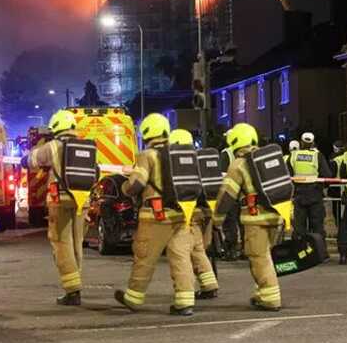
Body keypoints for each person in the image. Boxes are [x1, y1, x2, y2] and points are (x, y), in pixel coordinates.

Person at [114, 113, 196, 316]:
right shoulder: (184, 153)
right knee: (181, 257)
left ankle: (133, 297)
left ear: (147, 133)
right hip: (182, 213)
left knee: (144, 256)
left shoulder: (147, 155)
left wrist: (124, 188)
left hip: (156, 216)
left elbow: (137, 184)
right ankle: (185, 302)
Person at [214, 123, 282, 311]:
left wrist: (216, 220)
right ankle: (261, 293)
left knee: (258, 256)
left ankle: (270, 298)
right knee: (266, 257)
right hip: (276, 217)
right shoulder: (268, 158)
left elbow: (227, 196)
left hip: (255, 218)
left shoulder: (239, 164)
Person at [21, 110, 85, 305]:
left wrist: (29, 156)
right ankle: (75, 281)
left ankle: (73, 291)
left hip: (61, 201)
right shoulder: (88, 146)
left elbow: (29, 161)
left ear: (56, 128)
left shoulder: (53, 146)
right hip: (83, 202)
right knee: (76, 243)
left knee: (61, 242)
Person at [169, 129, 219, 299]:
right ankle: (209, 285)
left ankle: (185, 294)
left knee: (180, 252)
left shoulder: (178, 163)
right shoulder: (199, 160)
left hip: (187, 214)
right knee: (197, 250)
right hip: (203, 213)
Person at [287, 132, 332, 253]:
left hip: (299, 195)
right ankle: (320, 252)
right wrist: (320, 187)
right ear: (312, 143)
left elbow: (287, 175)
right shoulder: (318, 156)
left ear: (301, 142)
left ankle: (299, 253)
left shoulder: (293, 156)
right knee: (317, 226)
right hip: (315, 195)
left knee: (299, 227)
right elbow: (327, 175)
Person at [220, 130, 242, 261]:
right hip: (245, 193)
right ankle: (245, 250)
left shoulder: (226, 153)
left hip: (231, 193)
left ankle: (231, 250)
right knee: (243, 223)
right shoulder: (245, 152)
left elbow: (223, 175)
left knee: (230, 222)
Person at [328, 140, 346, 227]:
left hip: (336, 187)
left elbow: (331, 174)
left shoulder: (334, 159)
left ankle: (339, 227)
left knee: (337, 209)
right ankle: (345, 228)